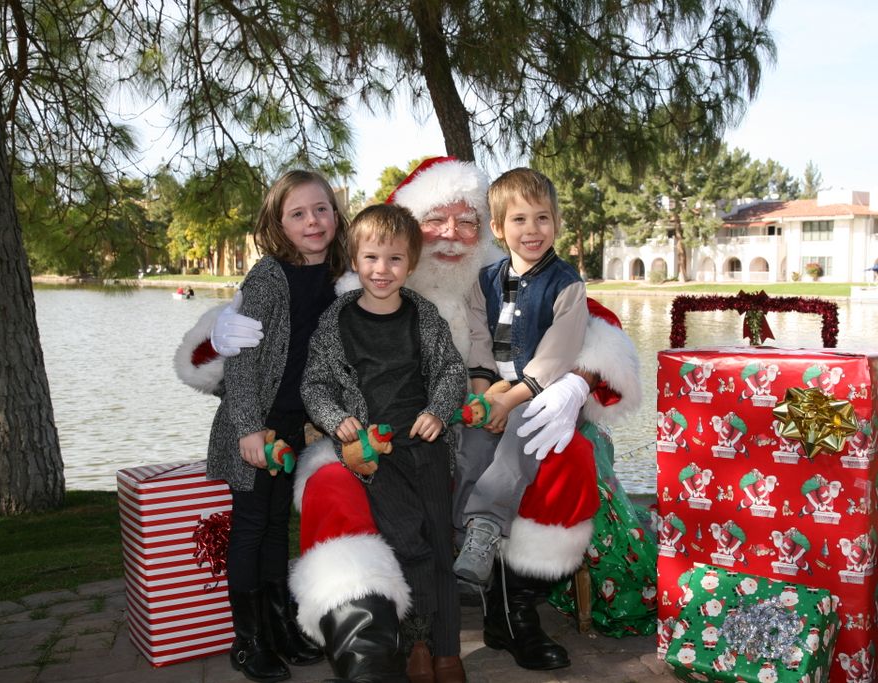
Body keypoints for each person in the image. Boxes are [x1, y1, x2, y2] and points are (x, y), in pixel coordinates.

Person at [176, 156, 643, 680]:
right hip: (361, 432)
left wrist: (577, 381)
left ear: (484, 228)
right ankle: (367, 637)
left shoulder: (498, 273)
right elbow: (276, 352)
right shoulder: (353, 279)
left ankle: (512, 614)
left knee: (567, 455)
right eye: (435, 220)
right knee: (328, 488)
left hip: (467, 425)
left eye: (465, 220)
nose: (450, 235)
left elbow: (594, 327)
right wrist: (217, 338)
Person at [300, 204, 467, 682]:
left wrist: (438, 410)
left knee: (438, 542)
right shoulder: (337, 321)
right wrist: (338, 421)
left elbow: (451, 370)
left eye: (394, 260)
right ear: (355, 259)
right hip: (375, 453)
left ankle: (447, 653)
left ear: (410, 265)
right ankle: (416, 642)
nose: (382, 270)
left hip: (425, 444)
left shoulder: (422, 314)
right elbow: (315, 385)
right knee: (406, 542)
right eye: (371, 258)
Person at [204, 169, 348, 682]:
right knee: (249, 527)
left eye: (322, 209)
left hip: (294, 424)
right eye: (298, 213)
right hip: (257, 424)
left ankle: (279, 623)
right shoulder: (268, 277)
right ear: (278, 223)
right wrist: (247, 427)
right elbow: (239, 361)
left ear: (336, 213)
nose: (313, 221)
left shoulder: (341, 275)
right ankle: (247, 641)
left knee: (275, 529)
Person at [453, 168, 588, 587]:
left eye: (542, 218)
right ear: (497, 227)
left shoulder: (566, 284)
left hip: (545, 396)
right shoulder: (486, 283)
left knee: (520, 436)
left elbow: (557, 354)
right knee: (470, 444)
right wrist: (483, 398)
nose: (533, 230)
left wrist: (509, 402)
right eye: (519, 219)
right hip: (496, 390)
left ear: (557, 223)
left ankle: (485, 526)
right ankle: (456, 538)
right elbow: (478, 338)